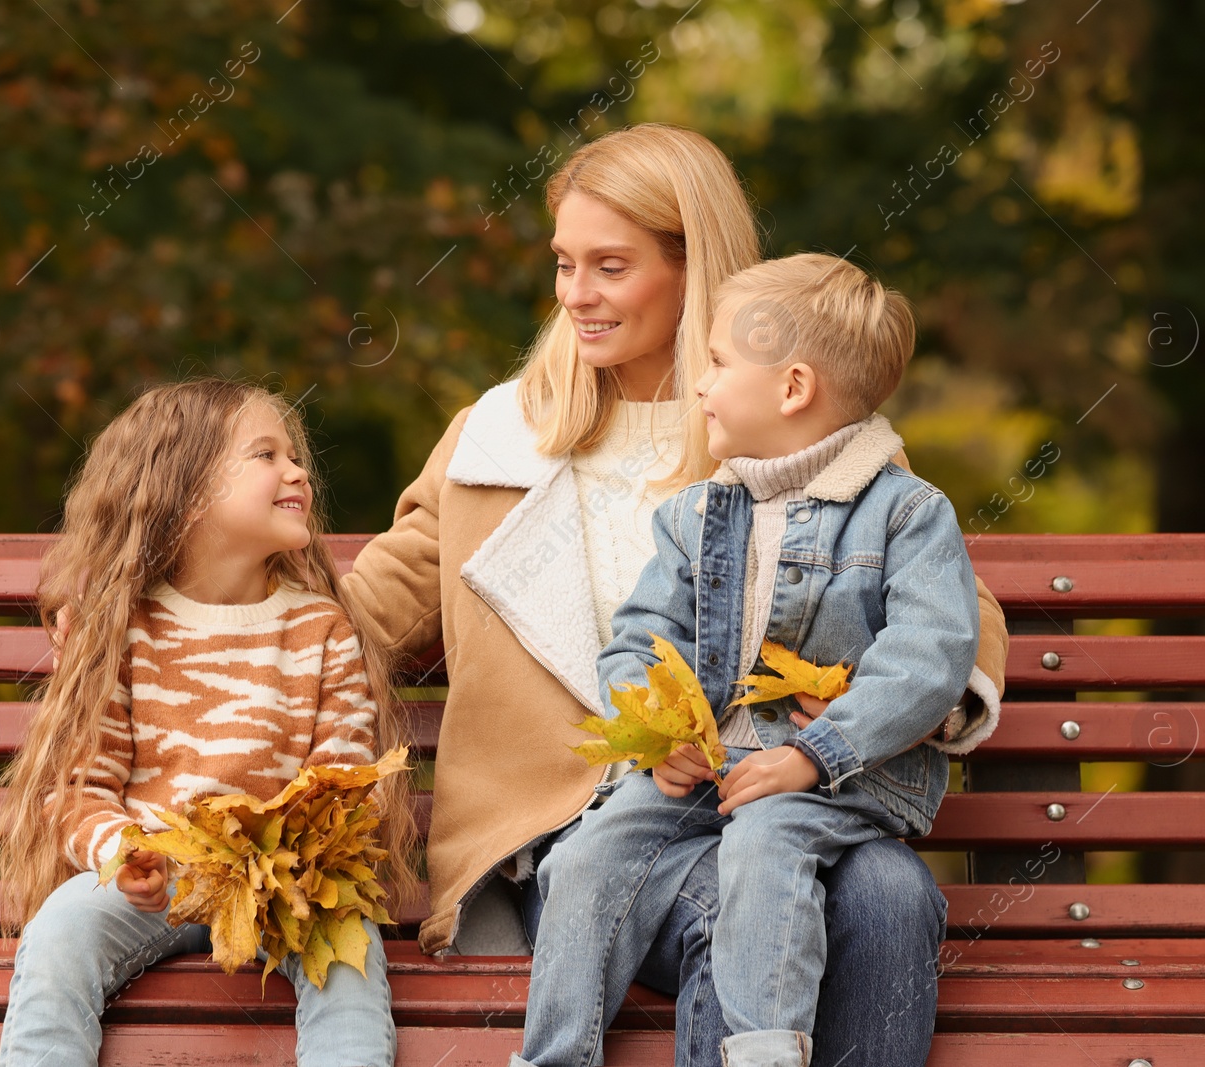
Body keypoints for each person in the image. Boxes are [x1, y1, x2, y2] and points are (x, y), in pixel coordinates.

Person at [341, 124, 1008, 1066]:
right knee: (729, 910)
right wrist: (149, 597)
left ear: (694, 270)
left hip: (777, 789)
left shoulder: (787, 428)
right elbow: (372, 604)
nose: (577, 294)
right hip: (569, 824)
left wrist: (858, 707)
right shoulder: (500, 437)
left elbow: (958, 608)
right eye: (564, 264)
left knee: (893, 899)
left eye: (610, 265)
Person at [517, 254, 987, 1067]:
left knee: (764, 846)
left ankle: (762, 1053)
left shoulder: (907, 512)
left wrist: (816, 753)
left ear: (793, 388)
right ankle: (554, 1056)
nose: (698, 385)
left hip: (837, 776)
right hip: (707, 768)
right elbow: (639, 639)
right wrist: (658, 734)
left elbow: (930, 654)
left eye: (719, 365)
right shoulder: (694, 516)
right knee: (585, 856)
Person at [0, 379, 410, 1067]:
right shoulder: (127, 630)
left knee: (348, 956)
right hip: (161, 874)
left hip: (290, 883)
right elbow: (79, 789)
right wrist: (125, 854)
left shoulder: (320, 629)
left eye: (295, 454)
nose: (297, 470)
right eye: (265, 454)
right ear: (185, 493)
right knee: (60, 931)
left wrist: (301, 858)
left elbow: (346, 784)